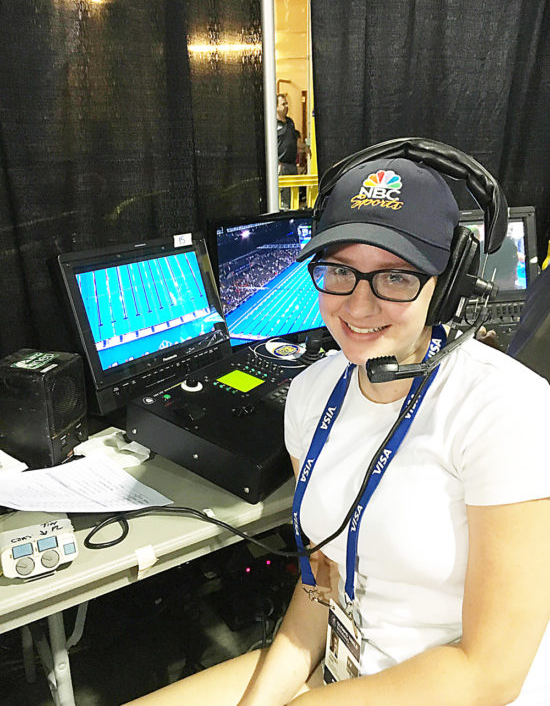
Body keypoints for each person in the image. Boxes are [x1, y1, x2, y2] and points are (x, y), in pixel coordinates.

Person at [126, 155, 550, 705]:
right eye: (340, 270)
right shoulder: (311, 394)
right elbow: (318, 590)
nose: (358, 302)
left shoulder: (507, 410)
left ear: (444, 289)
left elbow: (488, 675)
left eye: (397, 276)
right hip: (344, 670)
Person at [277, 93, 300, 209]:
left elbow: (294, 139)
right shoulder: (273, 124)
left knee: (294, 196)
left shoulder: (290, 122)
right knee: (284, 197)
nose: (286, 106)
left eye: (287, 103)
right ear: (276, 107)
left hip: (292, 165)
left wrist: (304, 148)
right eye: (283, 104)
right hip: (282, 166)